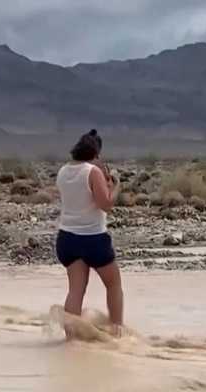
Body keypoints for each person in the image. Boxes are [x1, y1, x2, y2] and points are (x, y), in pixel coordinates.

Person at [55, 129, 124, 335]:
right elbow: (105, 204)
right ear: (96, 153)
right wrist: (115, 186)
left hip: (67, 236)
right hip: (93, 237)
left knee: (76, 289)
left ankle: (71, 336)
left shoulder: (63, 171)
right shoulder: (92, 172)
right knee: (113, 284)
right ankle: (117, 331)